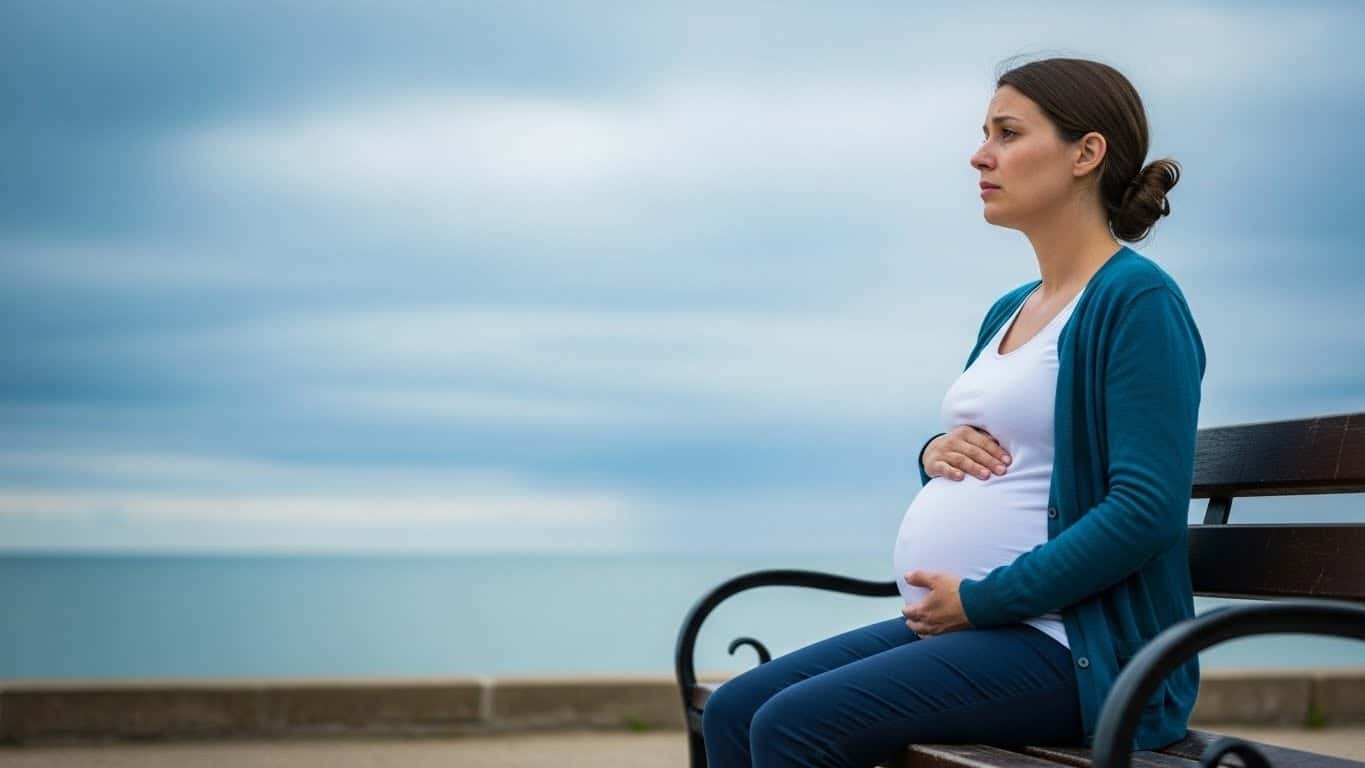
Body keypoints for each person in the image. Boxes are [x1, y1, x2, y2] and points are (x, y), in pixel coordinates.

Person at [701, 56, 1205, 768]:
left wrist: (984, 599)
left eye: (1006, 133)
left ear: (1084, 154)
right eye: (983, 133)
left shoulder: (1135, 301)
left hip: (1076, 649)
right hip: (981, 627)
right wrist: (934, 454)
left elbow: (1143, 510)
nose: (979, 154)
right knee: (734, 709)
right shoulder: (1011, 308)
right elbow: (1008, 457)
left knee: (791, 726)